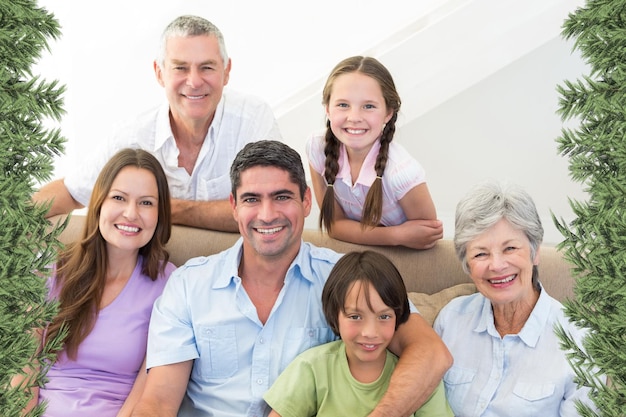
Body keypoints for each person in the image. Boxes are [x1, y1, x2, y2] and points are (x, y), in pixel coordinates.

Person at [130, 140, 452, 417]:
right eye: (252, 199)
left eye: (282, 197)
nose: (267, 214)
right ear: (234, 206)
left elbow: (430, 353)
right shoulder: (189, 285)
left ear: (307, 201)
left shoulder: (346, 277)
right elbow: (158, 402)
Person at [33, 15, 281, 232]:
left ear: (226, 71)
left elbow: (268, 210)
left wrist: (167, 209)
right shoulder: (132, 135)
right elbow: (70, 192)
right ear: (159, 73)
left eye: (206, 67)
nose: (194, 81)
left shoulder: (254, 120)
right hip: (154, 273)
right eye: (180, 68)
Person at [16, 148, 176, 416]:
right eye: (119, 198)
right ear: (99, 203)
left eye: (146, 202)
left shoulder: (169, 283)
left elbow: (147, 393)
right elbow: (24, 368)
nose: (131, 213)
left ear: (160, 214)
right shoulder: (51, 269)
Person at [433, 181, 598, 416]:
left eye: (510, 248)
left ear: (535, 252)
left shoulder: (579, 341)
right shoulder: (450, 320)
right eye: (481, 253)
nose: (497, 265)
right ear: (467, 265)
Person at [264, 250, 453, 416]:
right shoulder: (311, 369)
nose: (370, 332)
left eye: (384, 317)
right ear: (334, 315)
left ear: (399, 315)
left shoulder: (423, 379)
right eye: (355, 316)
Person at [307, 55, 443, 249]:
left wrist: (361, 232)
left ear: (388, 112)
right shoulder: (317, 147)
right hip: (355, 258)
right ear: (327, 108)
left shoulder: (402, 172)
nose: (354, 117)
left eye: (368, 106)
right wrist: (395, 235)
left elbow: (425, 239)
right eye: (343, 105)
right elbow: (333, 225)